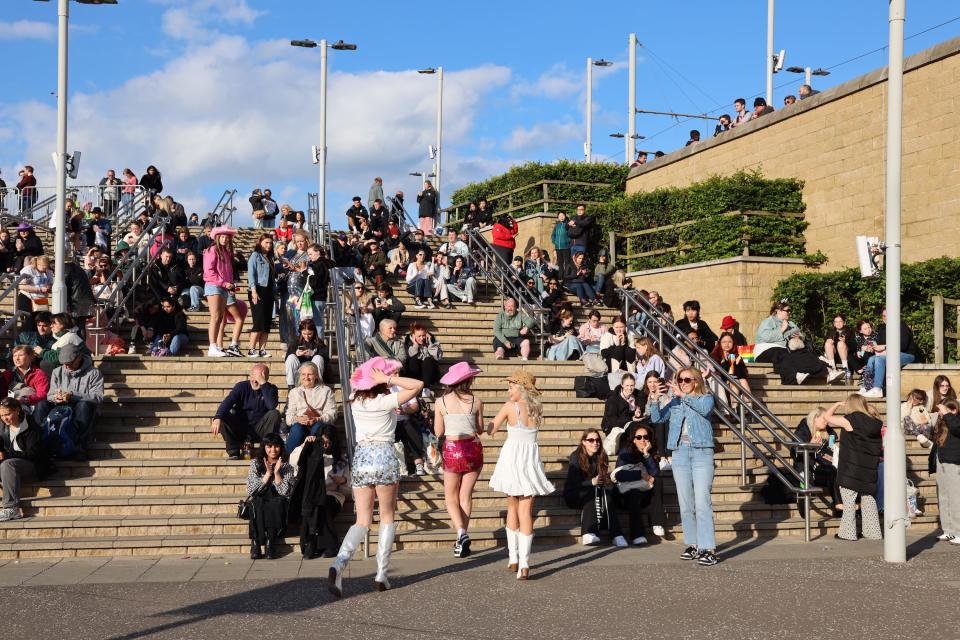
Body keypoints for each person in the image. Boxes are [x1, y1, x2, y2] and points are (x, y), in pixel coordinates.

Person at [327, 357, 423, 597]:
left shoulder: (355, 402)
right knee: (388, 516)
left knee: (361, 520)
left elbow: (359, 382)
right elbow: (418, 385)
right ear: (379, 383)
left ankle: (339, 565)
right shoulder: (386, 400)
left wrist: (373, 377)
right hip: (384, 455)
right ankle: (381, 573)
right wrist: (388, 377)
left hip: (361, 457)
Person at [648, 367, 718, 566]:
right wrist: (654, 398)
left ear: (696, 381)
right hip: (679, 453)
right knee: (686, 503)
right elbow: (657, 418)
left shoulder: (706, 398)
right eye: (680, 379)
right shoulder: (677, 401)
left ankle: (709, 548)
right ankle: (693, 544)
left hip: (701, 452)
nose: (682, 383)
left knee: (702, 502)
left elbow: (704, 410)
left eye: (687, 379)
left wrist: (682, 396)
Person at [488, 370, 554, 579]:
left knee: (512, 506)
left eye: (511, 387)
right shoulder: (536, 408)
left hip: (512, 459)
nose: (508, 391)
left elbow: (491, 429)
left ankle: (513, 557)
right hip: (530, 461)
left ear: (521, 388)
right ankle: (525, 563)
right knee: (526, 511)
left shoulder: (510, 407)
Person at [434, 361, 485, 557]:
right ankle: (461, 540)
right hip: (472, 447)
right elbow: (479, 429)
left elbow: (439, 431)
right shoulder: (477, 401)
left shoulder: (441, 402)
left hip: (453, 449)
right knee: (465, 496)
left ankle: (461, 533)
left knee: (450, 498)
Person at [827, 394, 883, 541]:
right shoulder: (875, 423)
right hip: (868, 469)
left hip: (850, 470)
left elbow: (827, 418)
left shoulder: (850, 420)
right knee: (869, 500)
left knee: (849, 501)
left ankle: (848, 533)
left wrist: (836, 404)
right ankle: (873, 533)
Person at [34, 344, 104, 458]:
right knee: (41, 405)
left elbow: (98, 397)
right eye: (64, 364)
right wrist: (56, 397)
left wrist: (73, 396)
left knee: (84, 406)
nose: (66, 366)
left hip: (80, 407)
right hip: (60, 406)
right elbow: (50, 395)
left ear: (79, 357)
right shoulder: (57, 371)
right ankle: (38, 444)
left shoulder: (94, 373)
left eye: (70, 363)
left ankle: (79, 446)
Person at [564, 428, 628, 547]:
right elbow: (575, 483)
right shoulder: (575, 457)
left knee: (607, 495)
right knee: (594, 493)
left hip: (597, 492)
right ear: (583, 442)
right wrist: (592, 482)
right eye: (591, 440)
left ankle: (616, 535)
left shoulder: (602, 456)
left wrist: (604, 481)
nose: (595, 443)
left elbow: (602, 479)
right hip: (575, 493)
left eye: (597, 440)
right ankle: (590, 532)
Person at [755, 301, 841, 385]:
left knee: (805, 354)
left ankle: (828, 372)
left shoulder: (791, 323)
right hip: (766, 350)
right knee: (782, 353)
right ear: (778, 311)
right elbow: (765, 337)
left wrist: (799, 337)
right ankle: (794, 375)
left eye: (790, 311)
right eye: (787, 310)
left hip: (786, 349)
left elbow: (800, 335)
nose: (789, 313)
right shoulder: (768, 321)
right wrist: (782, 329)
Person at [210, 365, 283, 460]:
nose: (256, 379)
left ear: (267, 377)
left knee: (274, 413)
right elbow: (229, 400)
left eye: (260, 376)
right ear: (250, 375)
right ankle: (233, 451)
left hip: (260, 429)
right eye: (254, 375)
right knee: (223, 415)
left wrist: (263, 384)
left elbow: (271, 406)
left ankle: (265, 449)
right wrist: (218, 417)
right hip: (240, 427)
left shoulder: (271, 389)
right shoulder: (241, 386)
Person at [0, 398, 54, 522]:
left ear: (17, 410)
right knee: (6, 465)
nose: (5, 418)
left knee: (7, 465)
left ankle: (12, 508)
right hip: (10, 467)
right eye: (2, 415)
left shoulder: (31, 426)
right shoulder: (2, 427)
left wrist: (7, 455)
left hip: (33, 466)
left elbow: (33, 453)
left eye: (8, 414)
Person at [615, 423, 667, 543]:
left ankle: (657, 522)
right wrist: (640, 475)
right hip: (626, 494)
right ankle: (637, 534)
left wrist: (646, 454)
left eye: (645, 437)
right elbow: (619, 475)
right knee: (634, 493)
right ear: (633, 440)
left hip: (645, 494)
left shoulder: (651, 452)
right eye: (639, 437)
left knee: (658, 481)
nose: (642, 440)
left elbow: (655, 473)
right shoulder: (626, 452)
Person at [245, 433, 294, 559]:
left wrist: (277, 473)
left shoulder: (287, 466)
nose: (273, 450)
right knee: (257, 503)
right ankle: (256, 543)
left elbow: (286, 493)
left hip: (278, 500)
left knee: (275, 504)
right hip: (261, 498)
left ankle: (269, 543)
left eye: (276, 446)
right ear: (264, 447)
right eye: (269, 446)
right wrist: (267, 474)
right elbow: (251, 490)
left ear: (281, 447)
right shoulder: (256, 463)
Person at [203, 225, 244, 357]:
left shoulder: (226, 253)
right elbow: (209, 271)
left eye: (227, 237)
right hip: (214, 285)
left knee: (220, 317)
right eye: (223, 236)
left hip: (224, 287)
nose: (225, 239)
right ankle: (212, 346)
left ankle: (216, 347)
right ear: (217, 237)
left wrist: (230, 285)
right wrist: (225, 283)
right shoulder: (212, 250)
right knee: (215, 316)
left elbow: (229, 272)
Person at [792, 407, 841, 514]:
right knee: (807, 476)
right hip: (807, 466)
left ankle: (839, 505)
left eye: (827, 420)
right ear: (815, 418)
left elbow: (833, 440)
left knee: (834, 471)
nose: (826, 422)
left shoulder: (827, 430)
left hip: (822, 467)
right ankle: (803, 502)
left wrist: (833, 447)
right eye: (824, 419)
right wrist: (810, 445)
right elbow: (794, 451)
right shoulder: (803, 429)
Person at [859, 308, 917, 398]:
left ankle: (877, 388)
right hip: (888, 354)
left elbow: (903, 345)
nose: (886, 318)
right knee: (871, 359)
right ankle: (867, 386)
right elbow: (879, 344)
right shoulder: (882, 328)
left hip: (906, 354)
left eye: (888, 315)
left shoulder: (902, 326)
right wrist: (873, 348)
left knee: (879, 360)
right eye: (884, 316)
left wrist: (885, 347)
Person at [284, 362, 337, 454]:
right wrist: (298, 419)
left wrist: (317, 419)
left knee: (318, 427)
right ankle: (288, 459)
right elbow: (288, 418)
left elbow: (332, 414)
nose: (306, 377)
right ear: (300, 376)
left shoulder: (326, 390)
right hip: (300, 425)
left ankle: (314, 459)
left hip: (319, 424)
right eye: (303, 374)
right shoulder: (294, 392)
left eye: (310, 374)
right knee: (297, 429)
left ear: (316, 375)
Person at [933, 400, 960, 544]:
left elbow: (956, 428)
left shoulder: (956, 421)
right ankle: (949, 530)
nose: (950, 411)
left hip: (955, 463)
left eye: (953, 409)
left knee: (956, 498)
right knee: (943, 497)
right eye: (947, 408)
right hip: (941, 461)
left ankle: (958, 531)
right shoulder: (943, 423)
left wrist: (947, 413)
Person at [246, 233, 275, 358]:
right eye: (266, 242)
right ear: (260, 243)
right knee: (258, 321)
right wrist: (253, 291)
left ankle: (262, 349)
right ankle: (251, 349)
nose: (268, 245)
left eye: (270, 243)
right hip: (258, 290)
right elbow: (251, 274)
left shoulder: (270, 257)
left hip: (269, 291)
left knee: (266, 322)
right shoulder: (255, 256)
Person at [0, 346, 50, 411]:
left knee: (42, 404)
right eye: (14, 356)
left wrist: (25, 399)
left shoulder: (38, 374)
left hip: (32, 406)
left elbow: (42, 394)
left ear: (30, 357)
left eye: (20, 355)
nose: (17, 358)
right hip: (10, 406)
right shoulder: (8, 373)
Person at [284, 319, 327, 389]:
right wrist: (296, 354)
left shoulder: (319, 343)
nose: (307, 336)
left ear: (314, 332)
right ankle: (291, 387)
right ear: (300, 332)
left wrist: (313, 353)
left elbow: (326, 359)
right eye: (304, 334)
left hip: (313, 372)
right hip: (299, 371)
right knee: (291, 357)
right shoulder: (295, 341)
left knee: (318, 358)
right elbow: (287, 359)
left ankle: (317, 385)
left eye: (309, 334)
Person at [403, 322, 443, 392]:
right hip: (414, 373)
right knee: (413, 360)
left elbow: (438, 357)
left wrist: (430, 344)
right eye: (419, 336)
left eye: (423, 335)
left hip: (429, 373)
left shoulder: (432, 341)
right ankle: (414, 386)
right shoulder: (407, 343)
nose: (422, 338)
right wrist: (415, 345)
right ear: (413, 336)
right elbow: (407, 356)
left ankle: (426, 387)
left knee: (428, 360)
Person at [552, 211, 572, 276]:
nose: (561, 217)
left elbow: (571, 234)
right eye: (560, 216)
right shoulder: (557, 226)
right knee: (560, 263)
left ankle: (566, 276)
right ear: (558, 217)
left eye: (563, 215)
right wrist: (555, 241)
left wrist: (568, 240)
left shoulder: (568, 224)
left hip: (566, 247)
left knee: (567, 262)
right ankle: (560, 277)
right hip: (558, 247)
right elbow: (553, 235)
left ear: (565, 216)